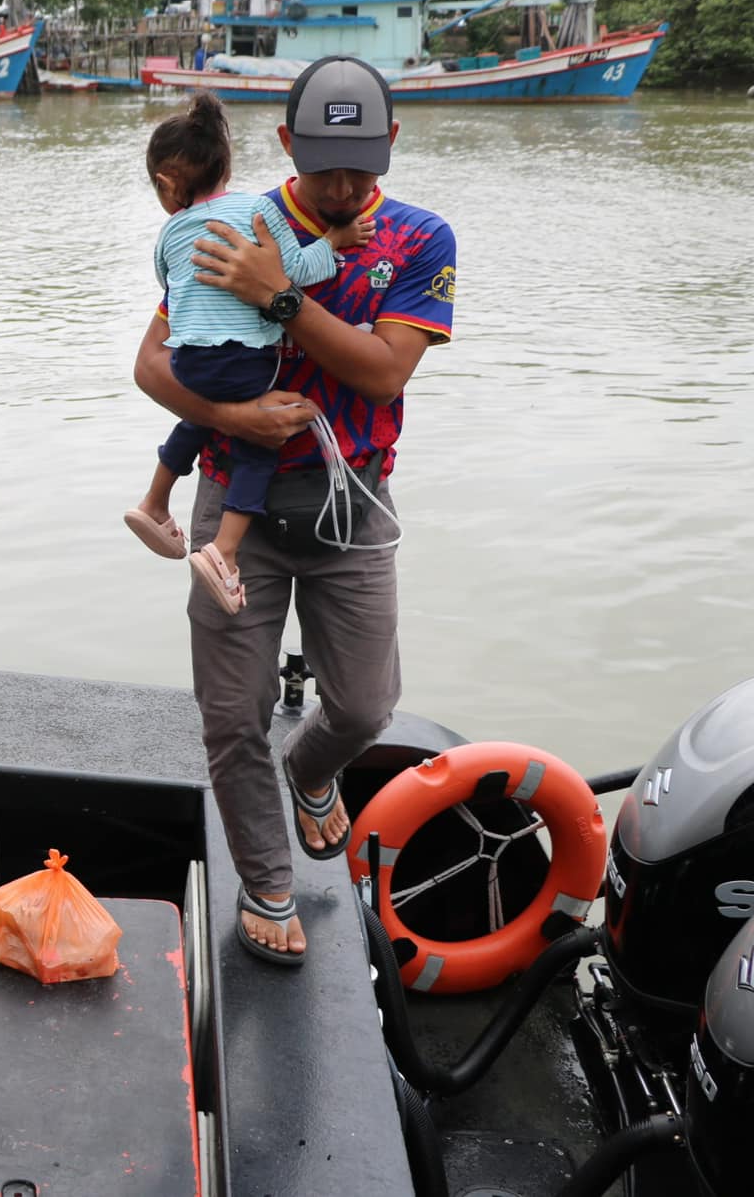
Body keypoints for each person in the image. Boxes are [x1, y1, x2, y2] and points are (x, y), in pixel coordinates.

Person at [132, 56, 455, 966]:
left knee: (364, 707)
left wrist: (275, 296)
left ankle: (310, 769)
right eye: (323, 168)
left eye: (361, 167)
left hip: (353, 504)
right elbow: (152, 365)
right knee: (231, 715)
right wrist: (234, 418)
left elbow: (383, 371)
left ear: (392, 142)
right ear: (284, 144)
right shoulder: (235, 222)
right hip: (236, 504)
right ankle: (267, 885)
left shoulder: (420, 239)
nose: (344, 187)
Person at [123, 91, 373, 613]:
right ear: (226, 165)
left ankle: (154, 501)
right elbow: (296, 272)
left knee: (198, 418)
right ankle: (225, 550)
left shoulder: (169, 232)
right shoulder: (258, 210)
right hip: (245, 360)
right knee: (259, 442)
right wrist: (335, 240)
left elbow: (169, 283)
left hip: (189, 360)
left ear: (166, 185)